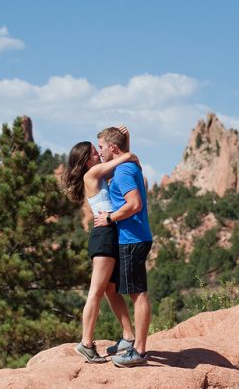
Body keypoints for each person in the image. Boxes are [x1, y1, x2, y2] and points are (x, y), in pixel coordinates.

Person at [63, 126, 137, 364]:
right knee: (96, 291)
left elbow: (120, 159)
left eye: (99, 150)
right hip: (104, 235)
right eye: (95, 152)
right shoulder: (91, 176)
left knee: (111, 290)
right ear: (86, 161)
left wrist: (125, 140)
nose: (99, 154)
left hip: (109, 233)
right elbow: (123, 158)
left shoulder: (99, 175)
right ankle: (86, 343)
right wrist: (127, 148)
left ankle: (128, 336)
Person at [93, 126, 153, 368]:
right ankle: (131, 341)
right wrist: (127, 142)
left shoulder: (123, 171)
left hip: (132, 238)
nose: (99, 151)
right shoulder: (126, 166)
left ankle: (138, 351)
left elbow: (135, 204)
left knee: (137, 294)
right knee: (115, 288)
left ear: (112, 148)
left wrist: (109, 218)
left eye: (101, 147)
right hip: (132, 237)